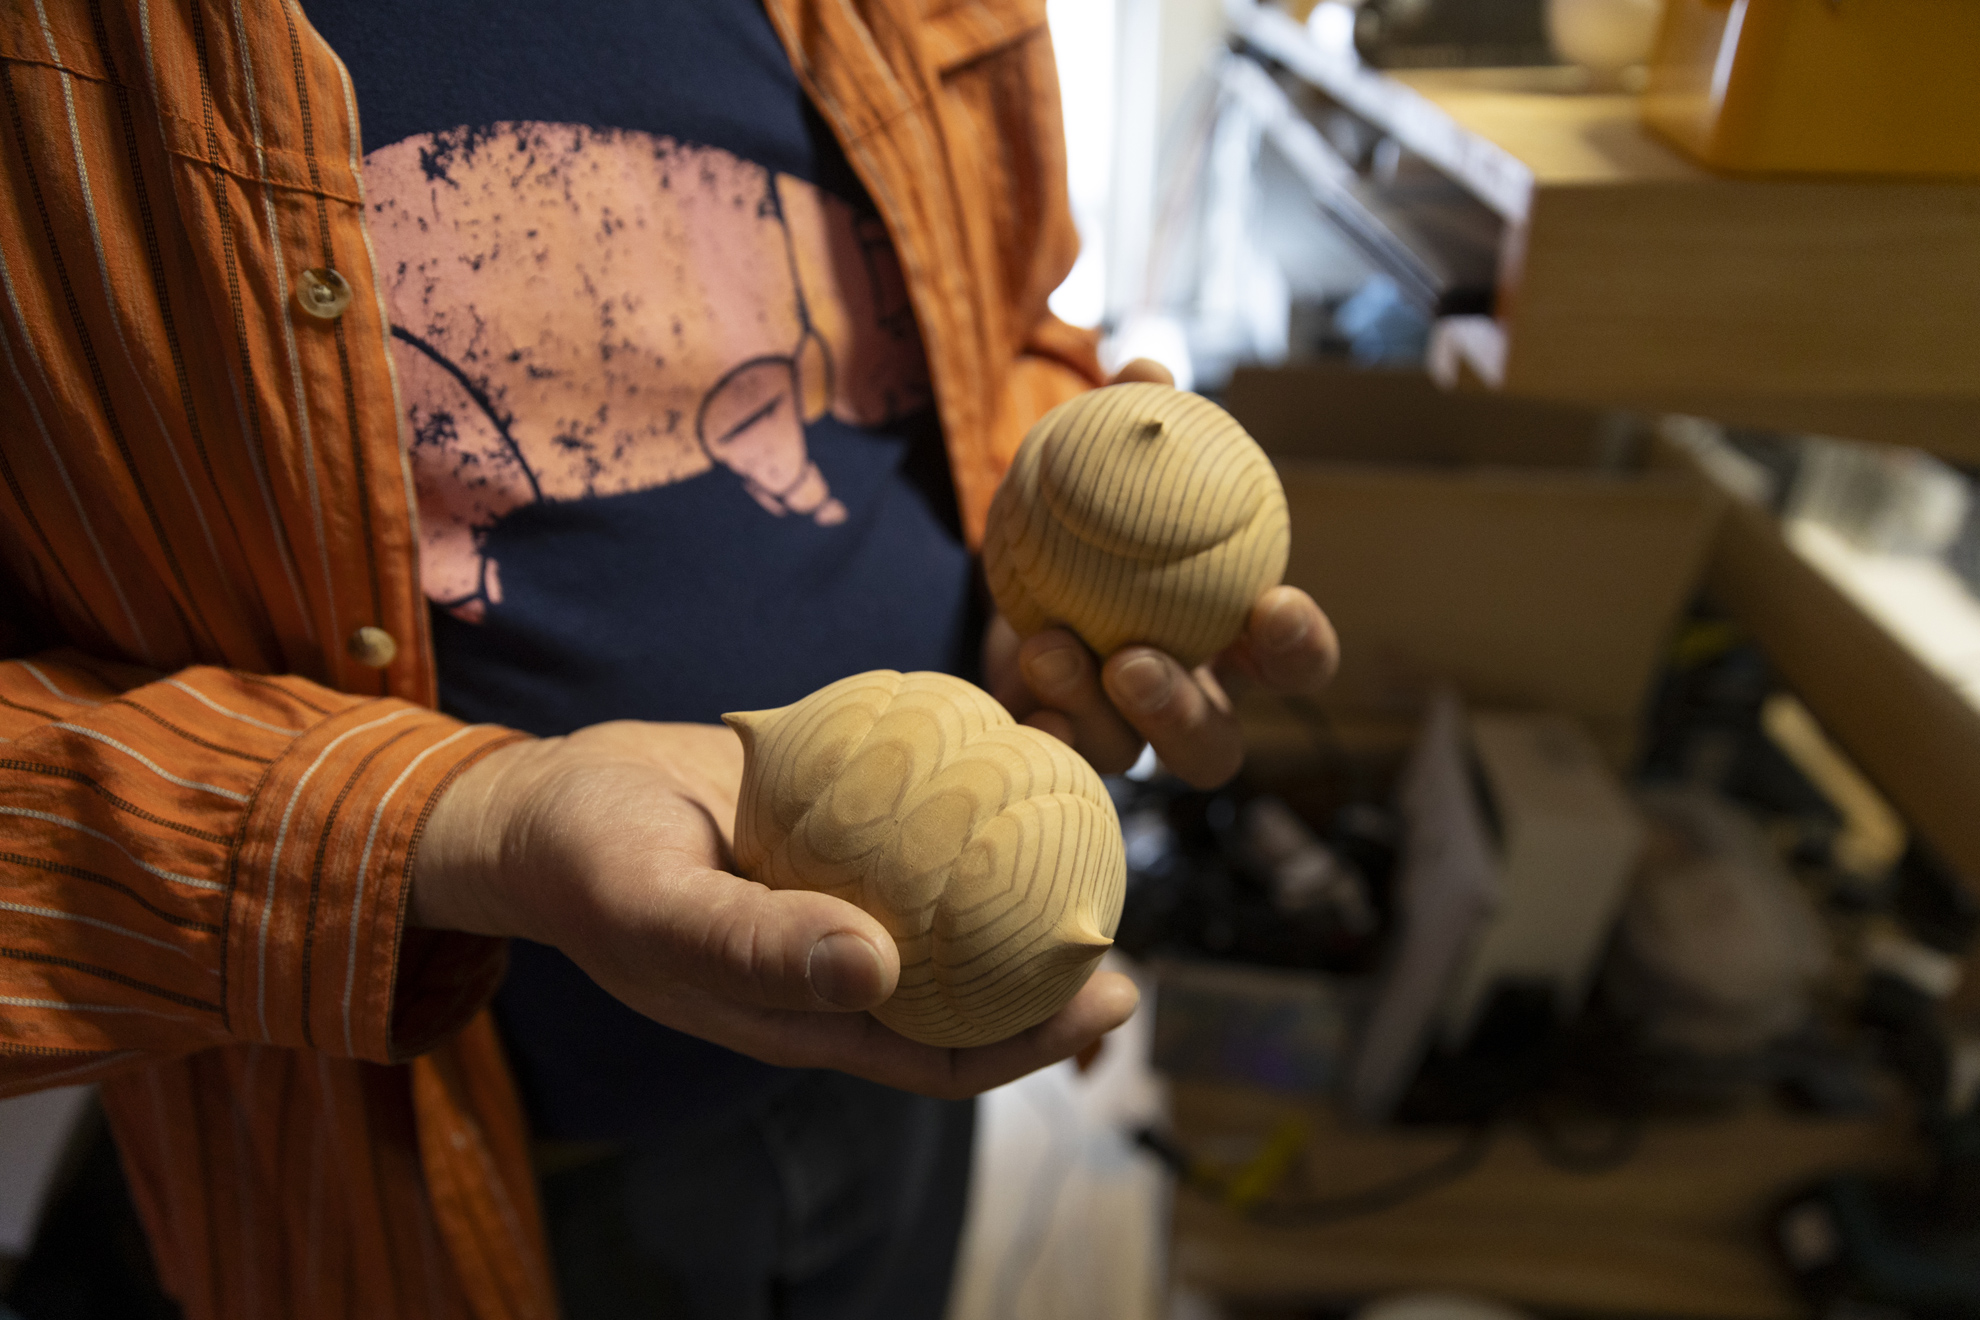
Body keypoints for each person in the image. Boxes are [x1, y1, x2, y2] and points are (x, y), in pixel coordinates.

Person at [0, 0, 1339, 1316]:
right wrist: (467, 823)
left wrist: (1051, 566)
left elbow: (984, 325)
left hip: (918, 1049)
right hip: (441, 1166)